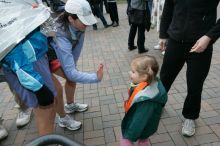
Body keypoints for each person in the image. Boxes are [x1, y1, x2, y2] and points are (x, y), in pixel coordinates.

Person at [159, 0, 220, 137]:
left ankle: (190, 117)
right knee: (164, 78)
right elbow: (168, 7)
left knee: (195, 84)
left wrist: (209, 36)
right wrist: (163, 34)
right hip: (175, 40)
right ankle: (157, 104)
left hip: (200, 45)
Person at [49, 0, 104, 130]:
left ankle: (70, 105)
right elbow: (70, 72)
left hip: (54, 55)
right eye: (84, 20)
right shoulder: (61, 38)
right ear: (71, 18)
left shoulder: (79, 26)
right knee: (57, 90)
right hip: (40, 58)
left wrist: (72, 69)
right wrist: (95, 77)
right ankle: (63, 119)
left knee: (72, 78)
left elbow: (75, 53)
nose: (87, 24)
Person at [2, 29, 56, 136]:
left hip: (32, 58)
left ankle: (50, 141)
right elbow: (9, 47)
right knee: (45, 113)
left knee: (47, 111)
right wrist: (38, 87)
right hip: (28, 64)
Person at [121, 56, 167, 146]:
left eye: (133, 72)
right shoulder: (149, 82)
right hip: (146, 127)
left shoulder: (146, 100)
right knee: (144, 140)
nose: (129, 73)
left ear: (144, 76)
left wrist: (128, 134)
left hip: (137, 127)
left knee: (125, 140)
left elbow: (139, 120)